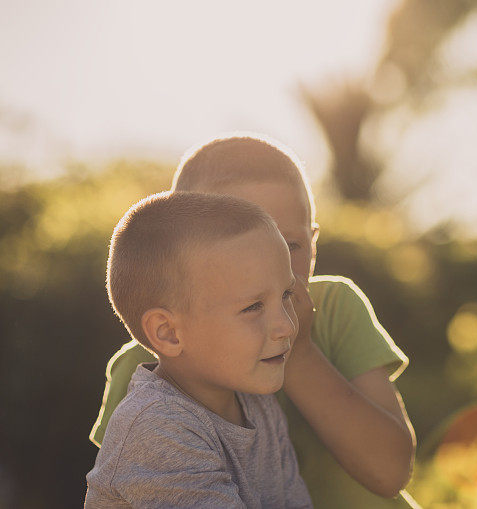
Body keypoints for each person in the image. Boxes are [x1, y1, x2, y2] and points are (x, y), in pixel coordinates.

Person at [89, 134, 418, 508]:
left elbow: (390, 472)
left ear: (313, 245)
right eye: (240, 250)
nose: (274, 267)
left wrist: (300, 351)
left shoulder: (337, 309)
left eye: (288, 245)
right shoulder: (151, 368)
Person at [85, 191, 313, 508]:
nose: (287, 326)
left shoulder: (258, 404)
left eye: (286, 294)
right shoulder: (156, 429)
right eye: (253, 307)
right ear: (168, 333)